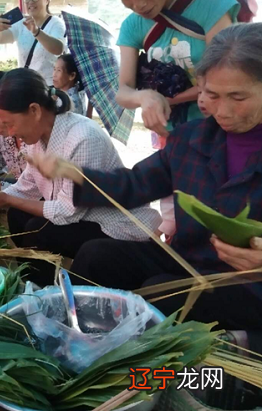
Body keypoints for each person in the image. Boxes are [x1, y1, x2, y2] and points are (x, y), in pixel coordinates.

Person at [26, 24, 262, 351]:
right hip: (188, 259)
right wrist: (74, 174)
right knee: (97, 255)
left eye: (238, 97)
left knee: (163, 292)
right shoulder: (191, 139)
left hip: (250, 283)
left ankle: (188, 365)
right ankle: (76, 343)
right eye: (212, 94)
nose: (222, 111)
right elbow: (134, 184)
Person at [0, 69, 161, 285]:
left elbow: (66, 211)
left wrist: (6, 199)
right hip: (84, 216)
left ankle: (44, 291)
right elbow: (27, 186)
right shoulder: (36, 139)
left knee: (40, 232)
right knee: (19, 215)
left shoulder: (82, 137)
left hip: (115, 223)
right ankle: (36, 283)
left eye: (9, 124)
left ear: (34, 110)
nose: (8, 132)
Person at [116, 0, 239, 239]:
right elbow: (123, 90)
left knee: (218, 211)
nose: (137, 5)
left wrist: (169, 99)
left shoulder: (212, 7)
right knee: (177, 209)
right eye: (126, 0)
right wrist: (145, 96)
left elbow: (227, 77)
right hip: (174, 137)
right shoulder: (132, 25)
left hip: (218, 132)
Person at [0, 1, 65, 85]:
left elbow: (58, 49)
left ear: (47, 1)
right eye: (27, 0)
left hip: (46, 87)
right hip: (24, 86)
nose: (31, 2)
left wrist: (36, 32)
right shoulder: (21, 22)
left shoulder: (56, 24)